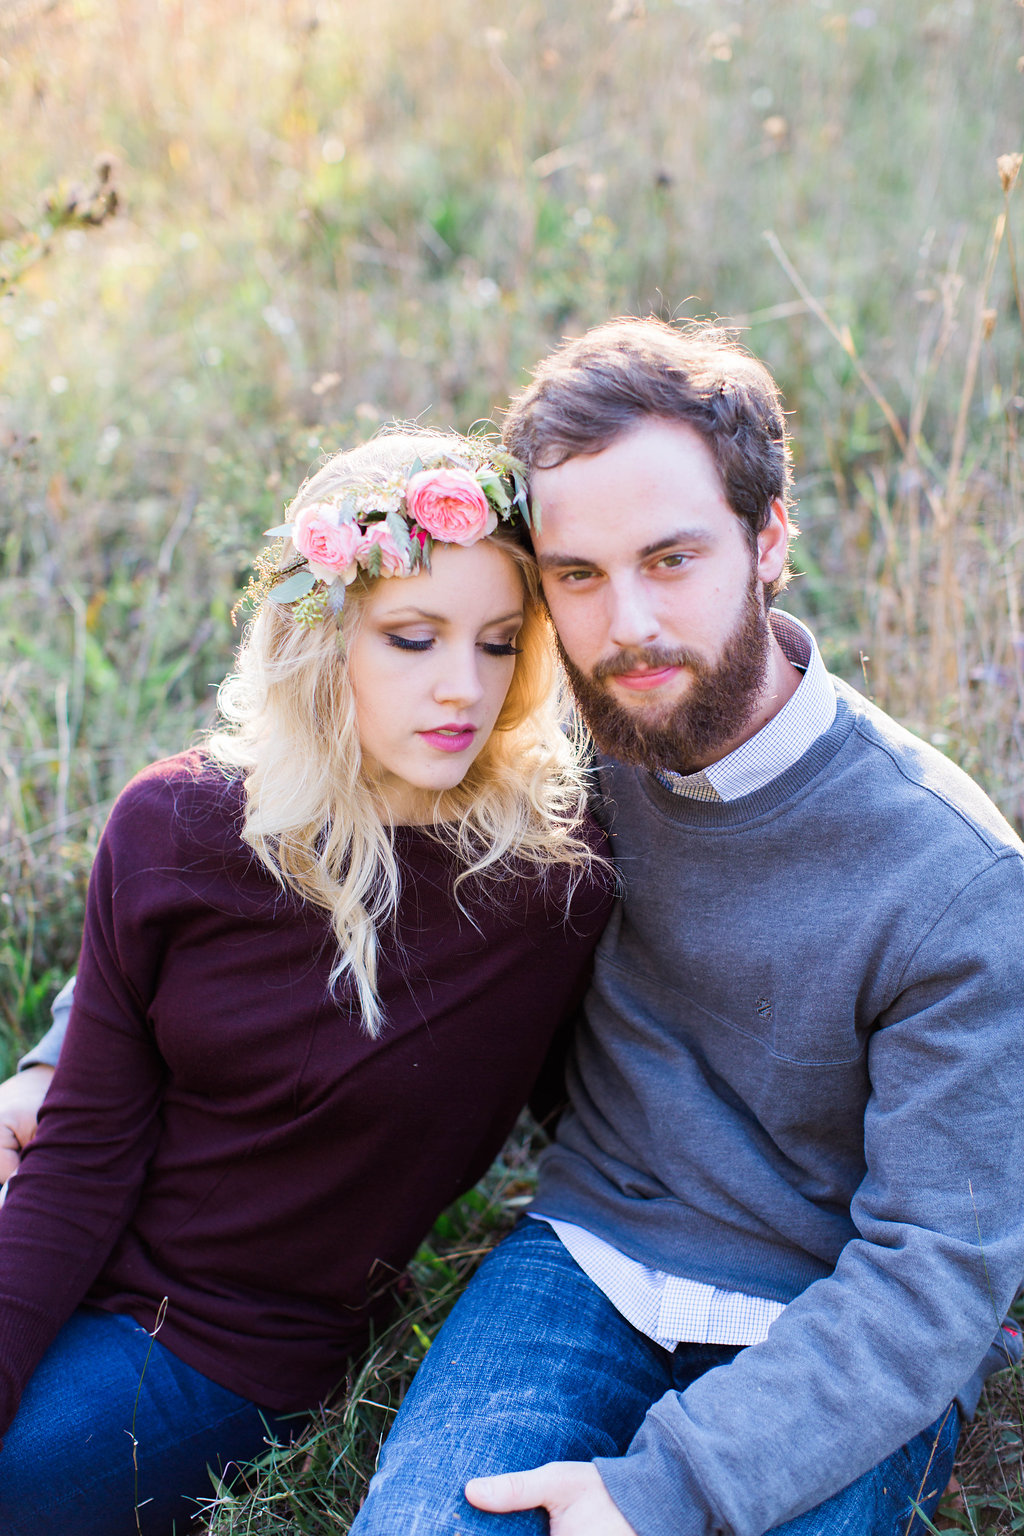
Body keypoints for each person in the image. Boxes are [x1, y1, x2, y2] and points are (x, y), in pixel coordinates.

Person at [347, 319, 1024, 1536]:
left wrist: (663, 1493)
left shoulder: (954, 879)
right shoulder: (566, 760)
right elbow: (313, 849)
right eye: (579, 576)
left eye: (671, 558)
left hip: (832, 1316)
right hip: (591, 1253)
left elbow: (935, 1271)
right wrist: (66, 1050)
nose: (626, 627)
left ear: (768, 540)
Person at [0, 429, 613, 1536]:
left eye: (495, 644)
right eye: (413, 638)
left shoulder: (547, 879)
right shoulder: (175, 823)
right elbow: (84, 1147)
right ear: (319, 638)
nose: (460, 688)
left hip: (222, 1347)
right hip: (59, 1245)